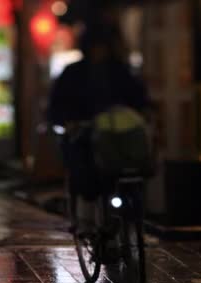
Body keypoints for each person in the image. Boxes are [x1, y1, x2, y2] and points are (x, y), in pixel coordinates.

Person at [46, 22, 153, 233]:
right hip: (85, 133)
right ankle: (86, 222)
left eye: (103, 46)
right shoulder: (73, 72)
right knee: (84, 171)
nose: (99, 51)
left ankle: (127, 217)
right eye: (95, 46)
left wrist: (141, 114)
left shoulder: (120, 71)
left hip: (117, 134)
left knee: (131, 166)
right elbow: (58, 105)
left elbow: (139, 99)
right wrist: (68, 122)